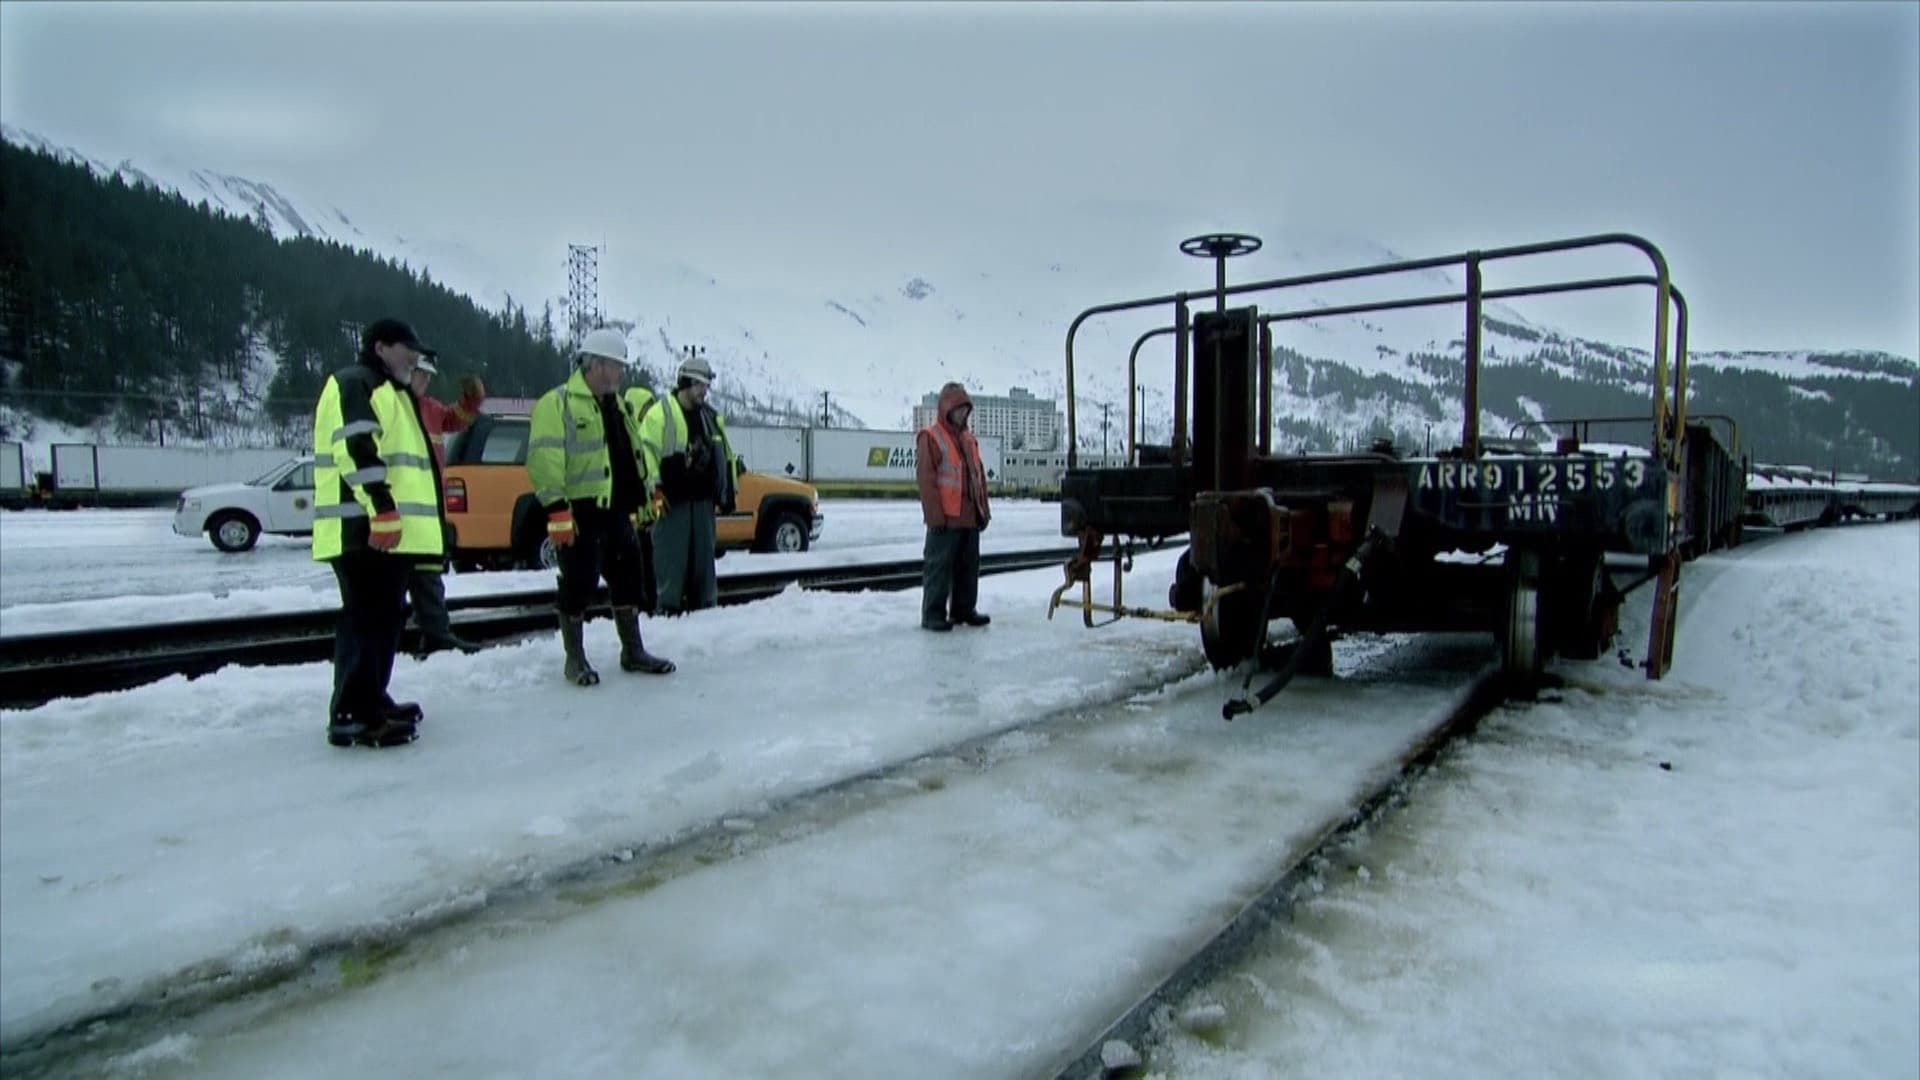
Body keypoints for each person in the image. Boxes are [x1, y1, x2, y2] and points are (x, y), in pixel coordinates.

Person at [311, 318, 446, 747]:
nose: (414, 358)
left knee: (383, 619)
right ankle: (354, 714)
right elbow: (355, 447)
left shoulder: (390, 391)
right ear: (382, 347)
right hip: (363, 531)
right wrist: (382, 509)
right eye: (409, 349)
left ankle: (370, 698)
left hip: (382, 534)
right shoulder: (357, 383)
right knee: (368, 620)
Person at [527, 327, 675, 686]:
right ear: (596, 365)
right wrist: (557, 509)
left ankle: (632, 650)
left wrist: (647, 492)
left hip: (616, 511)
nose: (621, 373)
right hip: (579, 512)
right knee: (578, 583)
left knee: (629, 578)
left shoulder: (619, 406)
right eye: (616, 366)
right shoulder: (558, 403)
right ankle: (574, 659)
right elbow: (544, 459)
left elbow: (631, 455)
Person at [639, 348, 738, 615]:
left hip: (703, 503)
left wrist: (726, 491)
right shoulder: (660, 415)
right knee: (670, 566)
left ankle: (704, 615)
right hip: (673, 504)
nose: (705, 392)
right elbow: (645, 453)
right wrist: (654, 490)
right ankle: (667, 615)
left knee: (703, 570)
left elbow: (723, 454)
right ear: (687, 384)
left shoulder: (709, 417)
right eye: (701, 386)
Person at [402, 357, 486, 654]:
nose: (425, 381)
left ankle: (435, 635)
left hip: (427, 508)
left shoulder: (430, 408)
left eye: (428, 376)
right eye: (421, 375)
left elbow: (456, 418)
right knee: (396, 580)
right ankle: (396, 638)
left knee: (428, 574)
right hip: (398, 510)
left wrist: (471, 400)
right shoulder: (391, 405)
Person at [916, 381, 992, 632]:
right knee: (938, 568)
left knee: (968, 567)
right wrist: (935, 517)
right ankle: (933, 614)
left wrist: (984, 510)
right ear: (946, 409)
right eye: (958, 409)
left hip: (969, 518)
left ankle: (964, 609)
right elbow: (926, 480)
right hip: (946, 519)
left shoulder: (969, 440)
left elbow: (979, 476)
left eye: (965, 409)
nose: (962, 414)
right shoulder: (932, 437)